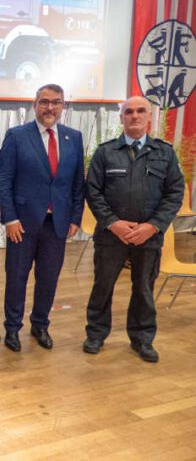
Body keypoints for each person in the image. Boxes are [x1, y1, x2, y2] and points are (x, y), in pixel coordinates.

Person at [83, 96, 183, 362]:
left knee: (143, 289)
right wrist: (113, 223)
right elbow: (92, 192)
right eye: (129, 112)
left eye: (140, 111)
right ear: (121, 118)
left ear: (149, 117)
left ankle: (142, 338)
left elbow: (175, 193)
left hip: (148, 237)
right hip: (110, 236)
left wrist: (153, 226)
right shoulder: (105, 152)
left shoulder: (165, 152)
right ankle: (95, 333)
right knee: (102, 286)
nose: (135, 116)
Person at [0, 83, 84, 352]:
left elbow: (77, 183)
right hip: (22, 224)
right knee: (16, 278)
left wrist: (75, 218)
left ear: (63, 106)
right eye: (44, 102)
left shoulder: (74, 137)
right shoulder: (17, 135)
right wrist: (9, 219)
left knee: (48, 279)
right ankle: (12, 328)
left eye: (55, 102)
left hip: (57, 224)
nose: (49, 107)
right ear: (35, 105)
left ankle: (40, 324)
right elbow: (4, 179)